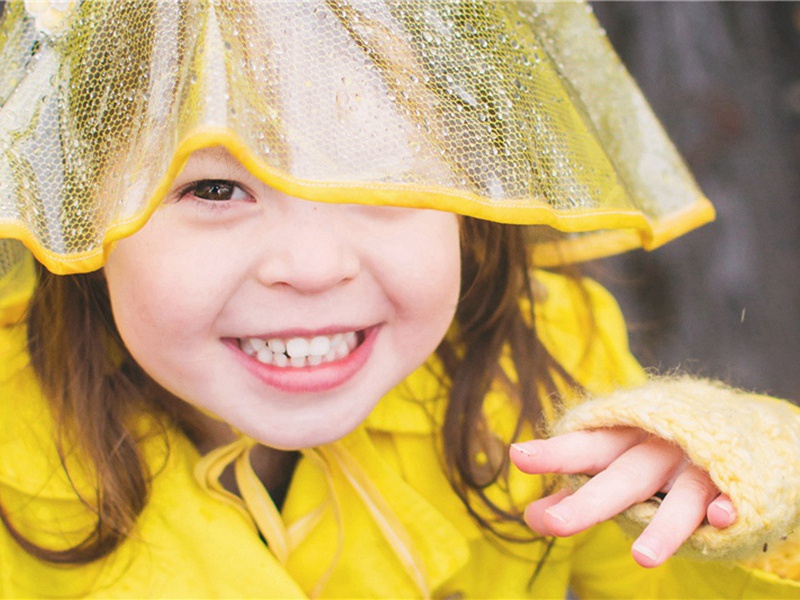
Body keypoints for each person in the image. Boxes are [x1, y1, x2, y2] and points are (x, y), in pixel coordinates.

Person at [0, 1, 798, 597]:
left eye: (385, 175)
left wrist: (745, 492)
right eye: (215, 187)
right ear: (79, 208)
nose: (311, 267)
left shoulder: (545, 363)